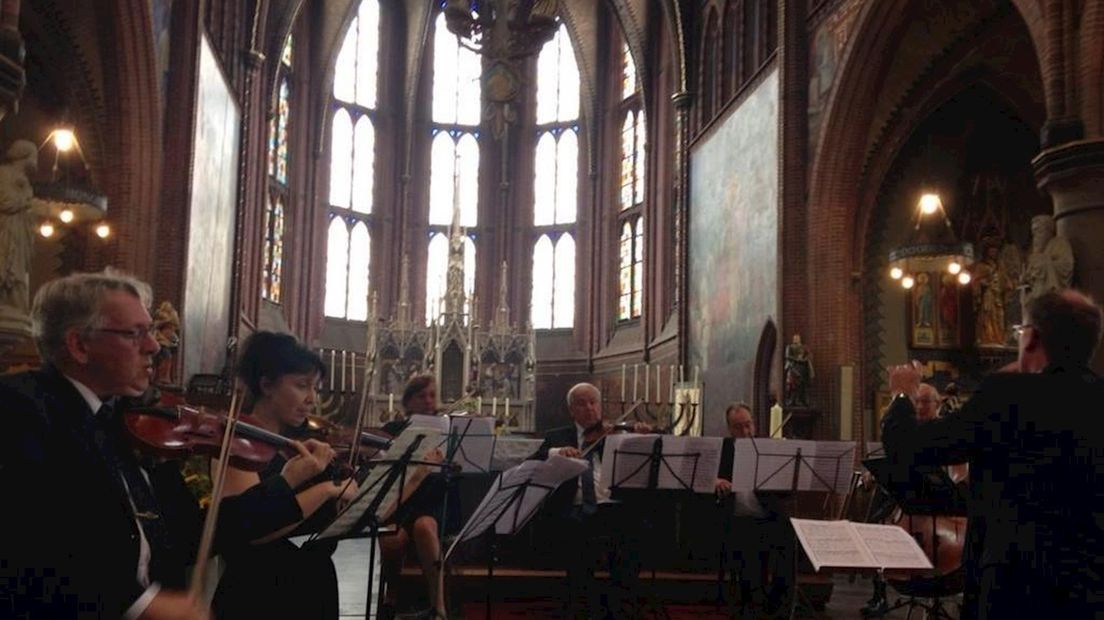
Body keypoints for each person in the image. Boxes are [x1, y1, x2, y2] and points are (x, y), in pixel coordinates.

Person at [882, 289, 1104, 619]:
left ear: (1031, 339)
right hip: (1090, 587)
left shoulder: (1007, 396)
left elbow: (911, 446)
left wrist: (903, 395)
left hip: (1013, 586)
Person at [212, 332, 360, 620]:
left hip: (312, 589)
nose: (311, 400)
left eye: (315, 388)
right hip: (261, 598)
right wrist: (327, 490)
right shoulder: (237, 444)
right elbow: (252, 530)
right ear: (266, 384)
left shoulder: (291, 447)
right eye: (301, 385)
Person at [532, 382, 651, 619]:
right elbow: (535, 460)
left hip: (613, 506)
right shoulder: (557, 436)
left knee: (638, 528)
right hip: (574, 508)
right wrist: (558, 452)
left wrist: (641, 435)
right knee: (576, 534)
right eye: (582, 403)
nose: (589, 408)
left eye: (593, 402)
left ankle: (620, 602)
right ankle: (584, 604)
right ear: (571, 410)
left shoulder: (617, 434)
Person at [378, 374, 450, 620]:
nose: (429, 401)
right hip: (401, 500)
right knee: (391, 538)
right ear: (408, 402)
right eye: (421, 396)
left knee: (425, 526)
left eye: (432, 395)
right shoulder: (392, 431)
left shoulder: (446, 429)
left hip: (433, 499)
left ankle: (437, 604)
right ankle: (391, 596)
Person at [713, 403, 793, 617]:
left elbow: (786, 494)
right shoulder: (722, 449)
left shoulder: (767, 449)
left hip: (767, 517)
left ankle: (780, 607)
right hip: (737, 520)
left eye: (748, 425)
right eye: (739, 427)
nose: (746, 431)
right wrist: (716, 480)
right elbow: (705, 476)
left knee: (789, 542)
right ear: (730, 429)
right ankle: (751, 607)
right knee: (749, 553)